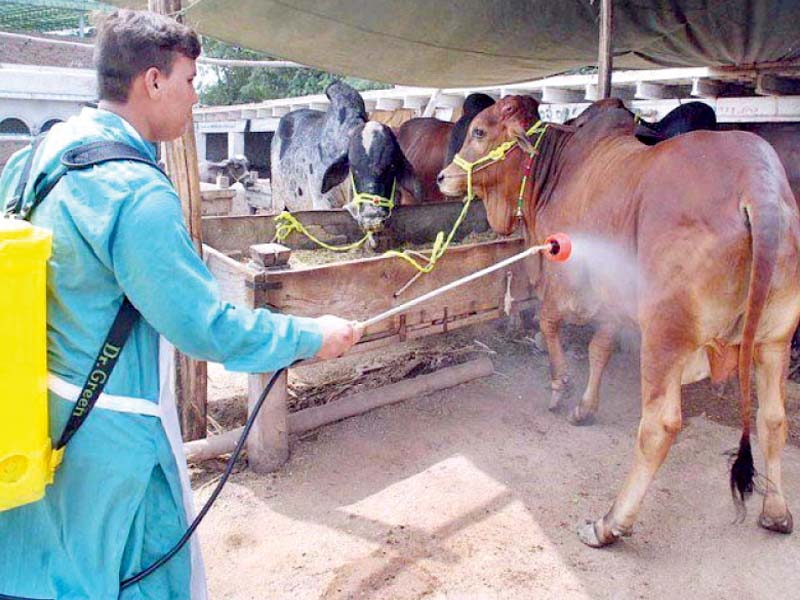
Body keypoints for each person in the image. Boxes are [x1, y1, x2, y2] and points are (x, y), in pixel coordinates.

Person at [0, 9, 359, 599]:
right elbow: (204, 326)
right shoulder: (136, 192)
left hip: (29, 414)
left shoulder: (38, 156)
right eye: (190, 80)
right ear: (153, 81)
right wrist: (310, 336)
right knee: (141, 576)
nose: (195, 98)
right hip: (110, 434)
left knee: (44, 573)